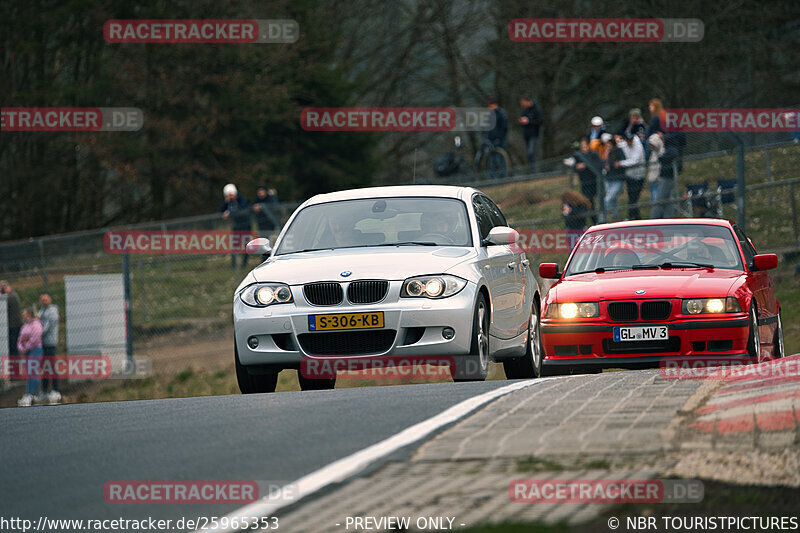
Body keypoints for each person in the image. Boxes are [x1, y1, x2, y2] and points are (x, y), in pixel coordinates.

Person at [651, 132, 683, 218]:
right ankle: (668, 217)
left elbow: (665, 158)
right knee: (668, 200)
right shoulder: (669, 149)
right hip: (665, 177)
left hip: (668, 178)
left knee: (659, 200)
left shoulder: (672, 150)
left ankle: (653, 219)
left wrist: (662, 158)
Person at [572, 137, 603, 224]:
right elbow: (574, 167)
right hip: (585, 184)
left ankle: (602, 220)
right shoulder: (578, 156)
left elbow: (598, 165)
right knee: (588, 204)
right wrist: (577, 167)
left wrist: (585, 165)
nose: (584, 148)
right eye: (582, 146)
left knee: (601, 202)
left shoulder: (593, 155)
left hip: (595, 183)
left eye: (585, 145)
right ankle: (595, 222)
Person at [220, 183, 251, 268]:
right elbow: (222, 210)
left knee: (246, 245)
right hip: (236, 226)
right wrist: (226, 203)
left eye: (231, 195)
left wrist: (230, 213)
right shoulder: (228, 202)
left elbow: (241, 208)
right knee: (235, 245)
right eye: (228, 195)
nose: (230, 197)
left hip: (245, 224)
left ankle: (244, 264)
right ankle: (234, 265)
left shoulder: (241, 198)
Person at [17, 308, 43, 407]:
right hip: (27, 351)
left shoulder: (36, 324)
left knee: (34, 371)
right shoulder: (25, 326)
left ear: (29, 314)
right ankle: (28, 393)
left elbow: (35, 338)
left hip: (35, 350)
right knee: (28, 372)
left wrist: (26, 346)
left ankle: (33, 394)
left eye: (25, 313)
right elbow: (20, 338)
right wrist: (21, 347)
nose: (24, 315)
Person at [38, 292, 60, 404]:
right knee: (45, 367)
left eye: (45, 299)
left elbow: (47, 327)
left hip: (50, 343)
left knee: (51, 366)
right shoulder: (41, 311)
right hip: (42, 344)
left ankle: (56, 390)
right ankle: (45, 391)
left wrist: (37, 333)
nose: (44, 301)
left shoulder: (53, 311)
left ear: (49, 299)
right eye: (42, 299)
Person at [618, 132, 646, 220]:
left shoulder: (638, 145)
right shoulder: (623, 144)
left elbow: (634, 160)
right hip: (629, 176)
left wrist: (620, 163)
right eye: (628, 140)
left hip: (639, 176)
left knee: (634, 198)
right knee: (631, 198)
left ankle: (633, 217)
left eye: (631, 140)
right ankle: (635, 217)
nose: (629, 142)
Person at [603, 133, 626, 221]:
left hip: (617, 178)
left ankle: (602, 217)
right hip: (609, 178)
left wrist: (615, 164)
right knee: (613, 200)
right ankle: (615, 216)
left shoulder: (618, 150)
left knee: (608, 199)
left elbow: (620, 163)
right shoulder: (607, 152)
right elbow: (604, 162)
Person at [518, 96, 543, 173]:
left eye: (523, 102)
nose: (522, 104)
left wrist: (529, 121)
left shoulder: (536, 109)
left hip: (534, 134)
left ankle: (534, 170)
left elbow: (540, 121)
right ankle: (532, 170)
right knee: (529, 154)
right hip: (526, 135)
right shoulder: (525, 110)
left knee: (531, 152)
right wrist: (522, 122)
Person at [0, 280, 22, 356]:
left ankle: (15, 366)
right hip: (12, 326)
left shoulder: (12, 296)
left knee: (13, 348)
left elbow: (3, 301)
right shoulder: (11, 295)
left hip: (14, 326)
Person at [646, 133, 665, 208]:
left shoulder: (662, 152)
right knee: (653, 199)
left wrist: (659, 176)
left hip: (658, 180)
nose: (652, 147)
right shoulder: (653, 153)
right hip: (653, 180)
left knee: (656, 199)